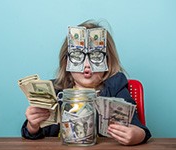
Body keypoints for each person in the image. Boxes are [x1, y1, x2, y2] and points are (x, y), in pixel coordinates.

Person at [21, 19, 151, 145]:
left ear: (108, 61)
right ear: (66, 61)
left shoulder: (116, 87)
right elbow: (31, 134)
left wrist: (136, 135)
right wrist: (33, 125)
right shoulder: (54, 91)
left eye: (96, 56)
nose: (87, 65)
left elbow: (139, 129)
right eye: (77, 56)